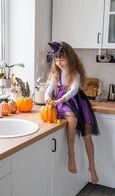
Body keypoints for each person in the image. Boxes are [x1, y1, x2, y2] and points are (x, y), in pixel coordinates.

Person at [45, 41, 100, 184]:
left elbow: (74, 90)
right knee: (72, 120)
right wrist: (47, 99)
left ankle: (92, 167)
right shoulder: (56, 74)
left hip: (77, 102)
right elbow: (49, 90)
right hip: (62, 104)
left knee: (87, 135)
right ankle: (71, 154)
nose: (59, 62)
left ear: (70, 59)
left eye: (62, 59)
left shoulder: (75, 73)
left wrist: (60, 100)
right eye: (56, 59)